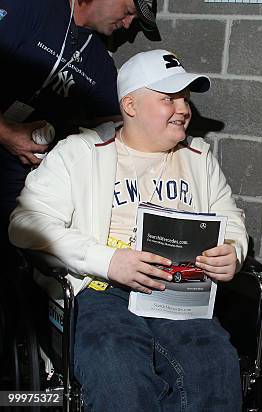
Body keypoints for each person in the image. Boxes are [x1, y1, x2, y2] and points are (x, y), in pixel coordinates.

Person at [9, 49, 247, 411]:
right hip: (100, 289)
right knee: (119, 368)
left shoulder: (199, 157)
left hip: (178, 293)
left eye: (185, 99)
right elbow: (25, 223)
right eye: (169, 98)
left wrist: (232, 250)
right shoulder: (79, 153)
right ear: (131, 105)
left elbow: (230, 220)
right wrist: (108, 261)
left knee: (215, 364)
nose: (184, 108)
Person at [0, 0, 160, 268]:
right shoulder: (31, 7)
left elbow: (121, 123)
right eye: (129, 12)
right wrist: (5, 132)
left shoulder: (98, 60)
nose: (128, 24)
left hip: (17, 174)